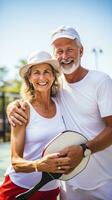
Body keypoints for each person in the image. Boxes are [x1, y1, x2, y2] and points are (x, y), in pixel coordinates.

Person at [7, 26, 112, 200]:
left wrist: (84, 149)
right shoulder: (56, 86)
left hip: (103, 183)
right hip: (66, 185)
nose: (65, 56)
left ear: (81, 51)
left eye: (69, 49)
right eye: (59, 51)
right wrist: (11, 106)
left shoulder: (101, 81)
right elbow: (33, 99)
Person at [0, 51, 71, 200]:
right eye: (36, 73)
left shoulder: (62, 104)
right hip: (18, 189)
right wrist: (39, 165)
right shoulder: (23, 110)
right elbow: (15, 162)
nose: (42, 77)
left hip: (51, 190)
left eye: (47, 72)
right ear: (29, 78)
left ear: (53, 76)